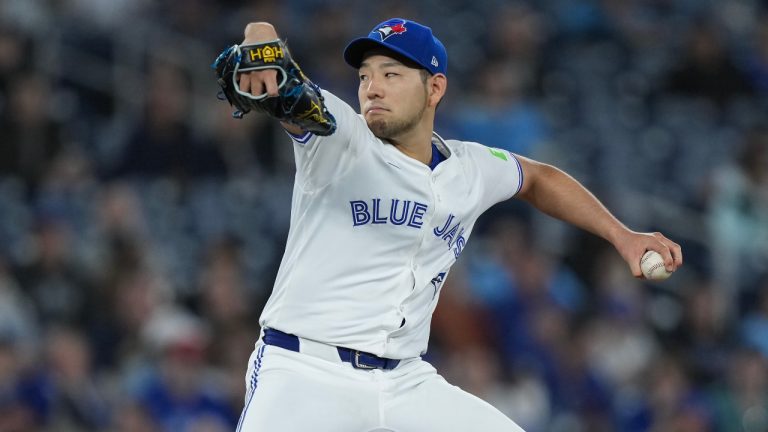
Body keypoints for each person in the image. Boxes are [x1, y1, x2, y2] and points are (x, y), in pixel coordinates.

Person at [227, 18, 683, 432]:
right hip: (306, 371)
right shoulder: (340, 138)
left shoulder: (471, 168)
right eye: (365, 76)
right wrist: (261, 38)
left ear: (435, 88)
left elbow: (540, 179)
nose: (372, 88)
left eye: (391, 74)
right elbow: (288, 90)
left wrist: (622, 235)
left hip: (405, 381)